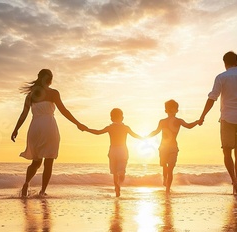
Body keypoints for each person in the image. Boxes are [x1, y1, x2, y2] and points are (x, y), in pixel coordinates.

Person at [11, 69, 87, 197]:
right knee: (49, 161)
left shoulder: (31, 95)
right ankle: (42, 191)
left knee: (36, 162)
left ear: (39, 78)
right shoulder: (53, 93)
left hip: (35, 127)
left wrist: (16, 129)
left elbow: (24, 114)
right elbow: (64, 111)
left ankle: (26, 183)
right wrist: (77, 123)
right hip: (49, 127)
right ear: (50, 80)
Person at [198, 51, 237, 194]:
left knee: (227, 152)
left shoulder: (221, 77)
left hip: (227, 118)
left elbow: (212, 98)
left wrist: (202, 116)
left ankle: (234, 181)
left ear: (224, 63)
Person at [85, 108, 143, 197]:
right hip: (122, 150)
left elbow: (98, 132)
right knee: (121, 172)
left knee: (114, 172)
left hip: (113, 150)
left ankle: (116, 188)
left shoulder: (110, 127)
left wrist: (87, 129)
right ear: (122, 118)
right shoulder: (126, 128)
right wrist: (145, 138)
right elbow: (135, 135)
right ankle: (119, 182)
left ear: (111, 118)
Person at [147, 100, 199, 193]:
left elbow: (188, 126)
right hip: (163, 147)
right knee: (164, 166)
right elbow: (156, 131)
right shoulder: (162, 121)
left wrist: (197, 122)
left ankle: (167, 189)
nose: (171, 111)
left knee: (170, 168)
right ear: (166, 110)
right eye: (169, 109)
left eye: (174, 108)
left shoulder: (179, 121)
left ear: (177, 110)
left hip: (173, 148)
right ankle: (165, 178)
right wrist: (146, 137)